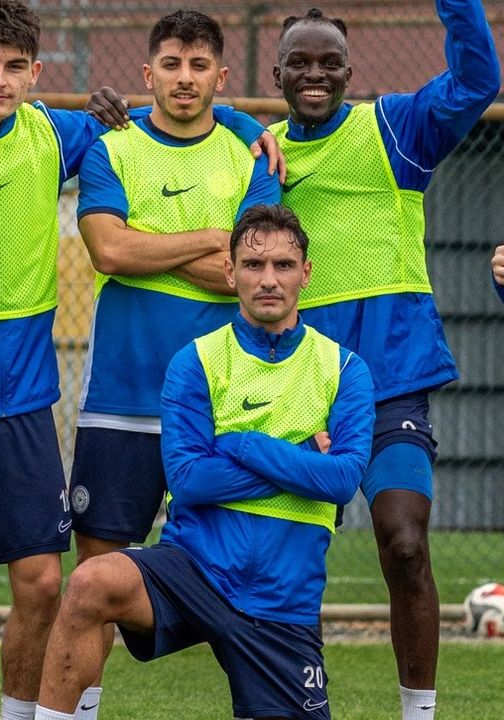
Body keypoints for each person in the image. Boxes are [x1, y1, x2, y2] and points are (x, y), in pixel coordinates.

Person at [0, 2, 277, 718]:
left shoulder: (60, 135)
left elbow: (168, 115)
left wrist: (245, 124)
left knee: (43, 584)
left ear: (34, 74)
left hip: (23, 399)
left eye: (13, 67)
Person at [34, 204, 376, 720]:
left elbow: (343, 479)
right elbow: (190, 479)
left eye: (283, 265)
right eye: (253, 265)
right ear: (230, 273)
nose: (268, 279)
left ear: (305, 274)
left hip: (282, 599)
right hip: (194, 571)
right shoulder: (195, 361)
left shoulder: (344, 369)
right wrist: (303, 458)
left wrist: (243, 444)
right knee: (89, 582)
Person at [270, 4, 498, 716]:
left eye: (328, 62)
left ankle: (418, 712)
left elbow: (478, 79)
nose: (314, 74)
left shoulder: (395, 128)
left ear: (349, 72)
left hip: (390, 383)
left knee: (404, 544)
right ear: (276, 74)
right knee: (283, 562)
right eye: (299, 62)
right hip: (293, 387)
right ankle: (292, 700)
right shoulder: (258, 152)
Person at [66, 11, 280, 715]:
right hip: (121, 397)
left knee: (243, 571)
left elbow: (247, 274)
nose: (184, 78)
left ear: (221, 76)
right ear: (147, 72)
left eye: (198, 66)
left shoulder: (250, 154)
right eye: (171, 64)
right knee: (96, 576)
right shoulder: (114, 146)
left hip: (222, 404)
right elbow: (108, 252)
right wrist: (210, 237)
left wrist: (149, 241)